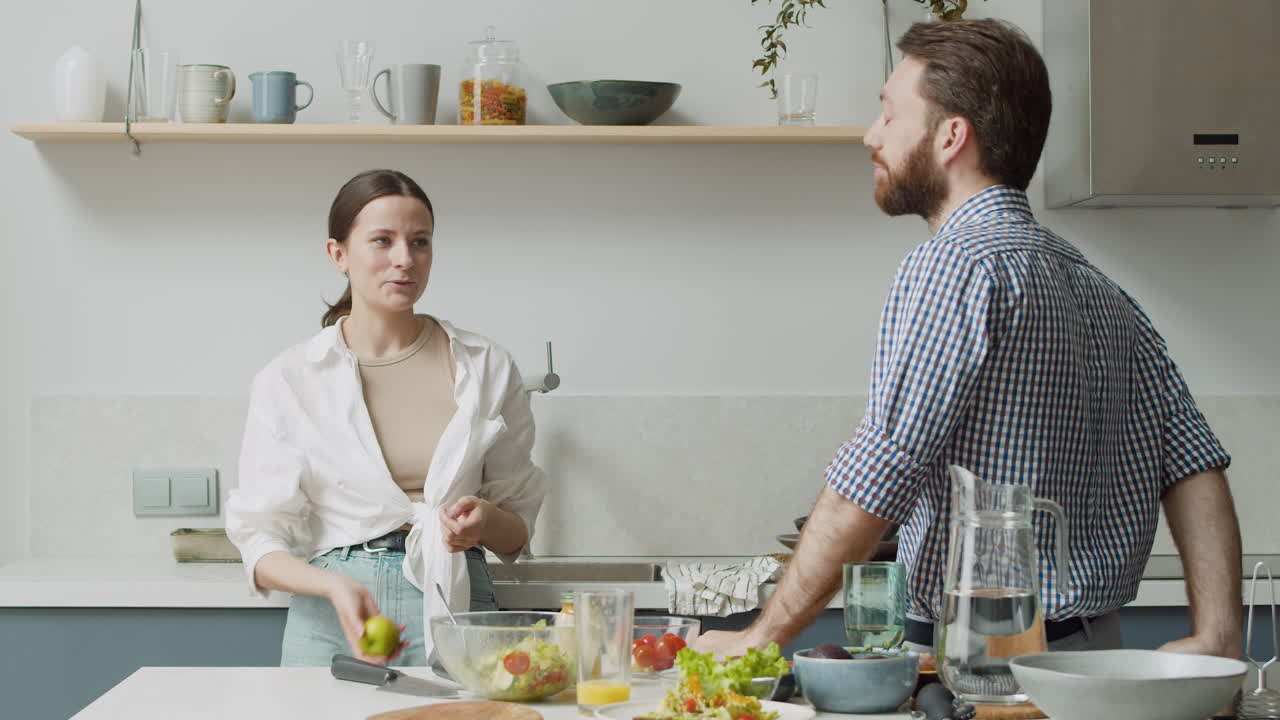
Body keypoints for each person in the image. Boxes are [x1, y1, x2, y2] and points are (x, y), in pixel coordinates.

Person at [694, 19, 1242, 659]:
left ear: (952, 135)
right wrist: (1221, 635)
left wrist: (760, 638)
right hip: (1102, 659)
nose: (873, 136)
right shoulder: (1101, 289)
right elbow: (1192, 460)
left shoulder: (955, 266)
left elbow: (878, 472)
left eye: (889, 116)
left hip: (988, 666)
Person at [225, 169, 547, 666]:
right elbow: (259, 543)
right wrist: (333, 587)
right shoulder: (290, 378)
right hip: (334, 618)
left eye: (420, 242)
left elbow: (517, 531)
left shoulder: (487, 367)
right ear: (338, 254)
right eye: (383, 240)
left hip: (459, 608)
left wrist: (484, 522)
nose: (405, 259)